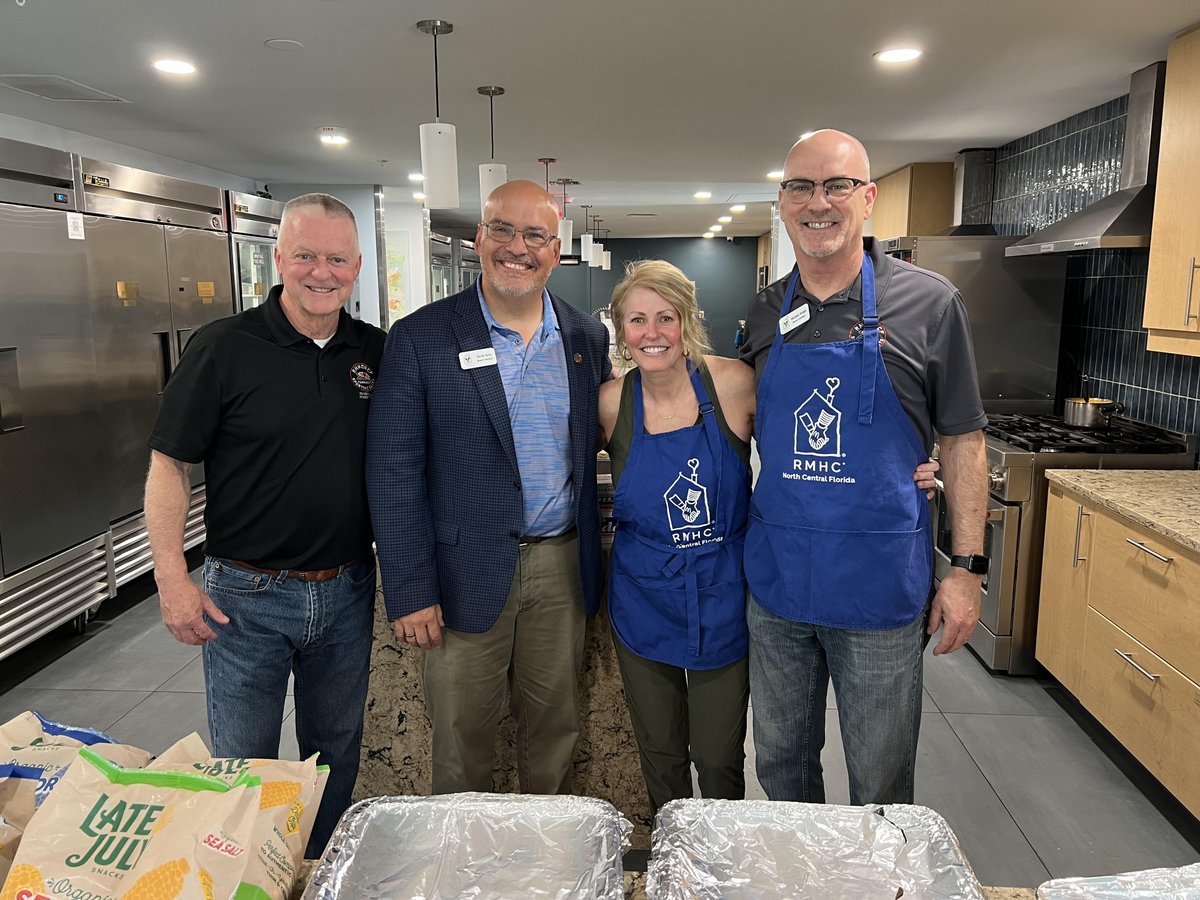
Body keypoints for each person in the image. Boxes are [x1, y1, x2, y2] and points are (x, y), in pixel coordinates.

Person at [739, 130, 989, 807]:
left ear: (868, 198)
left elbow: (963, 440)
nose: (818, 203)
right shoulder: (764, 311)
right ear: (783, 202)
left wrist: (966, 570)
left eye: (836, 186)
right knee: (782, 766)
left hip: (879, 586)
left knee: (880, 778)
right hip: (779, 582)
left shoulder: (931, 303)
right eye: (801, 187)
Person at [144, 193, 385, 855]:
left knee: (333, 757)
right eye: (305, 255)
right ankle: (246, 878)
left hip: (346, 590)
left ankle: (321, 873)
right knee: (243, 767)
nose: (321, 271)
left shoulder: (373, 353)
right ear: (279, 258)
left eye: (336, 258)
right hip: (244, 600)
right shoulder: (225, 348)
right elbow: (169, 465)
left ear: (356, 265)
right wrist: (171, 578)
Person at [366, 180, 611, 795]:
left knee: (555, 727)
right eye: (502, 229)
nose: (516, 247)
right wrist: (412, 588)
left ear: (555, 251)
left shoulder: (586, 339)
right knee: (460, 733)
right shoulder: (422, 337)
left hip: (561, 567)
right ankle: (463, 864)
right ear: (479, 238)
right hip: (459, 571)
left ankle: (547, 861)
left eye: (535, 235)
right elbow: (394, 469)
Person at [598, 260, 756, 815]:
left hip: (722, 594)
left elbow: (799, 449)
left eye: (665, 317)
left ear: (687, 320)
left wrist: (910, 465)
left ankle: (720, 863)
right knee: (660, 754)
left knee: (717, 757)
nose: (652, 333)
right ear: (621, 330)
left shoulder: (734, 384)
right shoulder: (613, 403)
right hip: (643, 597)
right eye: (637, 320)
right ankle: (672, 861)